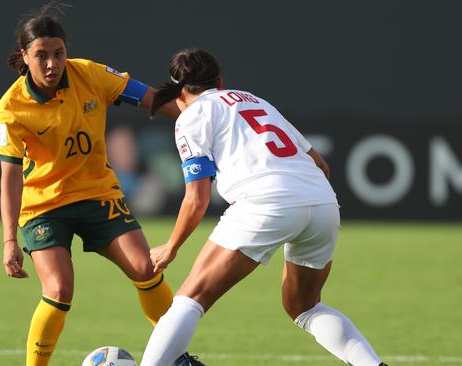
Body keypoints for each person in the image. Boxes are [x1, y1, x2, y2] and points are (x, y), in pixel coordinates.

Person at [139, 49, 388, 366]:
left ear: (179, 90)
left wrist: (171, 247)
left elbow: (197, 199)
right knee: (305, 306)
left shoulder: (192, 117)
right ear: (220, 80)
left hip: (264, 201)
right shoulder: (254, 100)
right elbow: (320, 164)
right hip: (322, 200)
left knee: (190, 299)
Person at [0, 5, 184, 366]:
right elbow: (10, 176)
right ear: (24, 57)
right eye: (41, 56)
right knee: (59, 290)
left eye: (58, 53)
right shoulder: (11, 108)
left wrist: (200, 111)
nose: (52, 64)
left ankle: (178, 358)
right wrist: (9, 241)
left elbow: (152, 98)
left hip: (97, 195)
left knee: (146, 269)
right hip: (44, 206)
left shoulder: (90, 74)